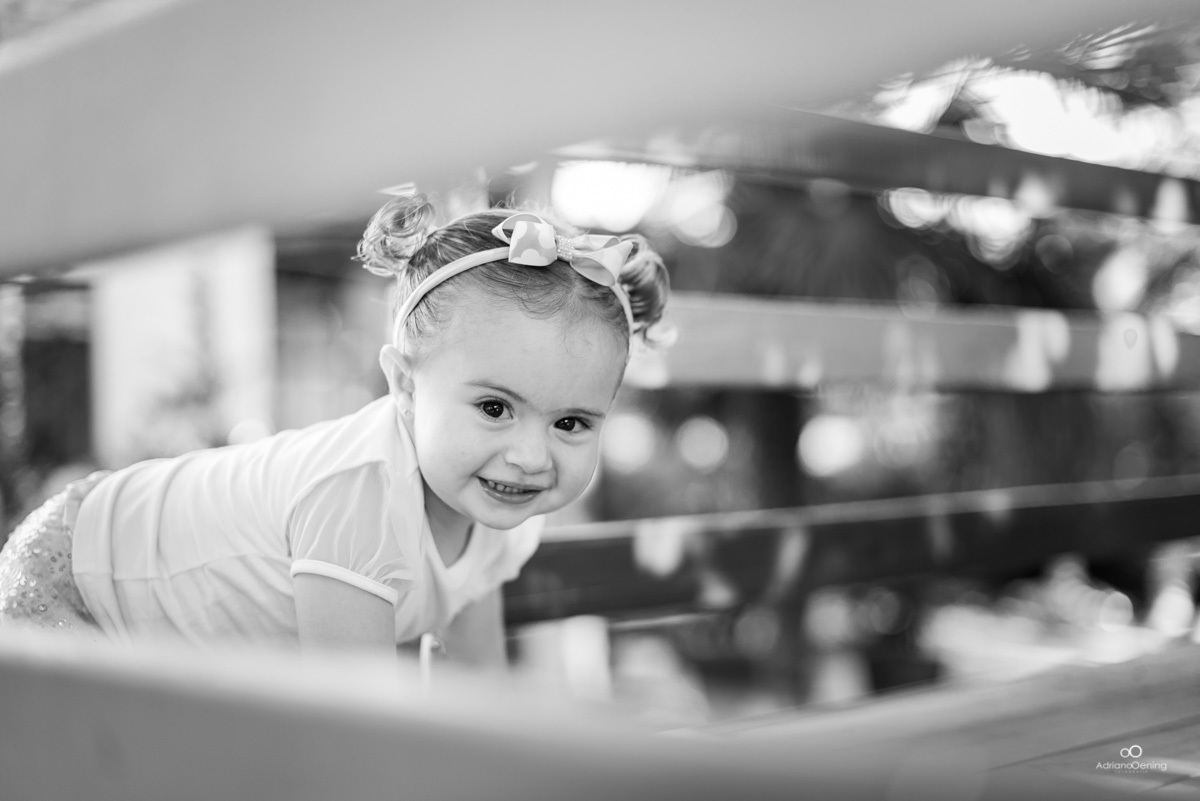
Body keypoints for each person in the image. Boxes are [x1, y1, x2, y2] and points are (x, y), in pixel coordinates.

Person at [0, 194, 670, 667]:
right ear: (405, 387)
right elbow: (351, 732)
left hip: (162, 633)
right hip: (81, 581)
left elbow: (475, 685)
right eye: (495, 408)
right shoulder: (359, 501)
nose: (530, 456)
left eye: (572, 422)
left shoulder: (503, 512)